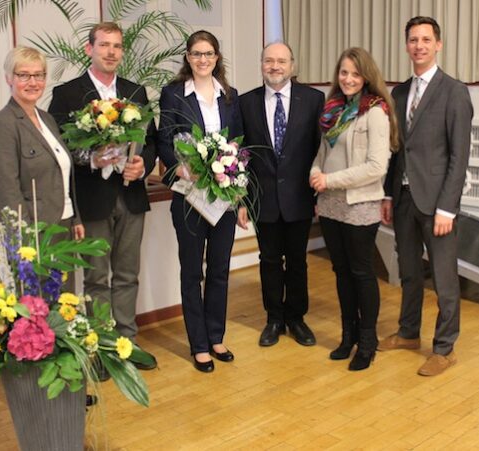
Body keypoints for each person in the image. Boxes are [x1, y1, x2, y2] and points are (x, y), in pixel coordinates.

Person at [48, 22, 157, 370]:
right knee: (95, 279)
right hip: (92, 200)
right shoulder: (67, 94)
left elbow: (150, 142)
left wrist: (143, 163)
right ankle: (99, 349)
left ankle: (127, 344)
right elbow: (60, 149)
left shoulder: (136, 92)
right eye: (104, 45)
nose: (111, 52)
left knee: (128, 275)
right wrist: (90, 158)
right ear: (89, 49)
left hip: (131, 196)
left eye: (117, 46)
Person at [378, 16, 473, 376]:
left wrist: (448, 207)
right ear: (406, 46)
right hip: (403, 200)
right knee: (409, 272)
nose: (419, 45)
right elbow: (396, 149)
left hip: (438, 205)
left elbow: (458, 156)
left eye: (426, 39)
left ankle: (445, 348)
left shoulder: (454, 91)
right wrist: (388, 195)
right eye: (413, 40)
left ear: (438, 44)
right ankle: (408, 332)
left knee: (445, 279)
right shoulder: (399, 93)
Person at [157, 30, 243, 373]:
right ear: (188, 57)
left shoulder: (230, 96)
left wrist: (239, 197)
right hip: (189, 195)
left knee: (220, 269)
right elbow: (164, 140)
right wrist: (180, 166)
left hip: (223, 196)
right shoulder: (174, 94)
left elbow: (239, 144)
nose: (202, 60)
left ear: (217, 57)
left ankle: (216, 336)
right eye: (196, 54)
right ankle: (199, 344)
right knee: (192, 271)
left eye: (208, 54)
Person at [309, 47, 398, 371]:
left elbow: (376, 167)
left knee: (361, 273)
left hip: (360, 205)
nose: (348, 79)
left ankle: (368, 341)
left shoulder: (375, 112)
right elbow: (320, 155)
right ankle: (348, 337)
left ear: (366, 77)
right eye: (344, 72)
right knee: (341, 272)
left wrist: (329, 179)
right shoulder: (332, 109)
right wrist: (315, 176)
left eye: (355, 74)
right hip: (330, 205)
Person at [238, 42, 324, 348]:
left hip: (300, 197)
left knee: (298, 261)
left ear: (292, 65)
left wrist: (318, 197)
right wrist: (243, 199)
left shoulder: (314, 99)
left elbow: (319, 150)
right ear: (261, 64)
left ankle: (296, 318)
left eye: (281, 61)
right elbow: (241, 154)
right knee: (270, 260)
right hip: (263, 199)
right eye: (269, 61)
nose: (275, 66)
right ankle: (274, 318)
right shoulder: (245, 102)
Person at [0, 46, 84, 251]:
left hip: (63, 224)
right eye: (24, 75)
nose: (33, 82)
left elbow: (63, 173)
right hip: (35, 232)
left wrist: (75, 218)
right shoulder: (1, 125)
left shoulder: (47, 119)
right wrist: (23, 237)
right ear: (9, 78)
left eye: (39, 75)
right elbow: (7, 191)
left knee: (65, 284)